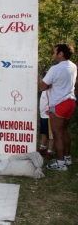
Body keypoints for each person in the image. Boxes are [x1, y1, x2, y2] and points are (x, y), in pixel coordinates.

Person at [40, 43, 77, 171]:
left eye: (55, 52)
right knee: (64, 130)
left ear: (61, 54)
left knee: (57, 134)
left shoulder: (55, 69)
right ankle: (67, 158)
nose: (53, 54)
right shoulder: (73, 66)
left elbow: (43, 86)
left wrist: (50, 84)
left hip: (58, 104)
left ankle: (60, 163)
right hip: (71, 102)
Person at [36, 88, 54, 160]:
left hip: (48, 117)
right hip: (42, 115)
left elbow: (53, 100)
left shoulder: (50, 91)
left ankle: (50, 151)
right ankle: (43, 147)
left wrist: (51, 109)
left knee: (51, 135)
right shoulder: (44, 90)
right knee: (43, 132)